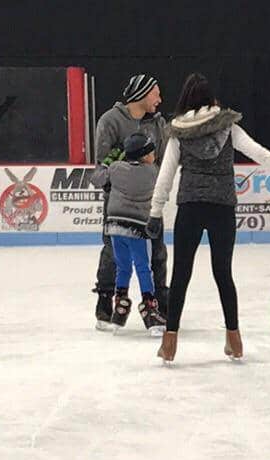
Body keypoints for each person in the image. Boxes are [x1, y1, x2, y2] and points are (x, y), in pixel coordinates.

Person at [150, 73, 270, 363]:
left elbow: (166, 174)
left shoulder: (178, 132)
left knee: (181, 274)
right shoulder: (228, 127)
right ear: (212, 99)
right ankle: (234, 340)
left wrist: (155, 211)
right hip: (222, 208)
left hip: (190, 206)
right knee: (223, 273)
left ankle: (169, 342)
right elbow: (259, 153)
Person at [91, 74, 171, 332]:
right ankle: (106, 301)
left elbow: (166, 158)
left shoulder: (158, 123)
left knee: (156, 252)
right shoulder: (110, 121)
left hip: (150, 202)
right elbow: (102, 164)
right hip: (118, 203)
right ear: (143, 94)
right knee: (114, 252)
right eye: (156, 93)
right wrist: (127, 181)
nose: (160, 99)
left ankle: (160, 303)